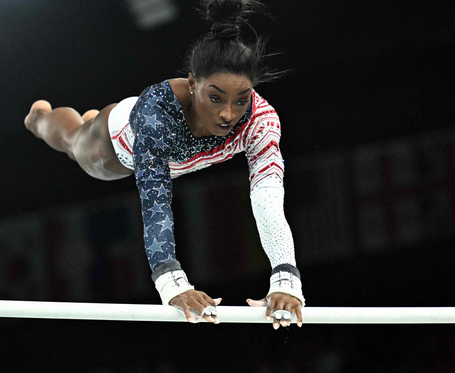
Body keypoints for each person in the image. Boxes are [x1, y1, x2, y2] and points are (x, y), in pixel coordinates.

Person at [24, 0, 304, 329]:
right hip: (117, 144)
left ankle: (78, 118)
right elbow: (156, 202)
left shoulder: (261, 120)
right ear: (192, 83)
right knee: (74, 143)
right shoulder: (157, 116)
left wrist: (286, 279)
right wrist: (172, 284)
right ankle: (39, 118)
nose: (229, 113)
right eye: (215, 98)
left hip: (160, 151)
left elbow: (268, 199)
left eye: (241, 99)